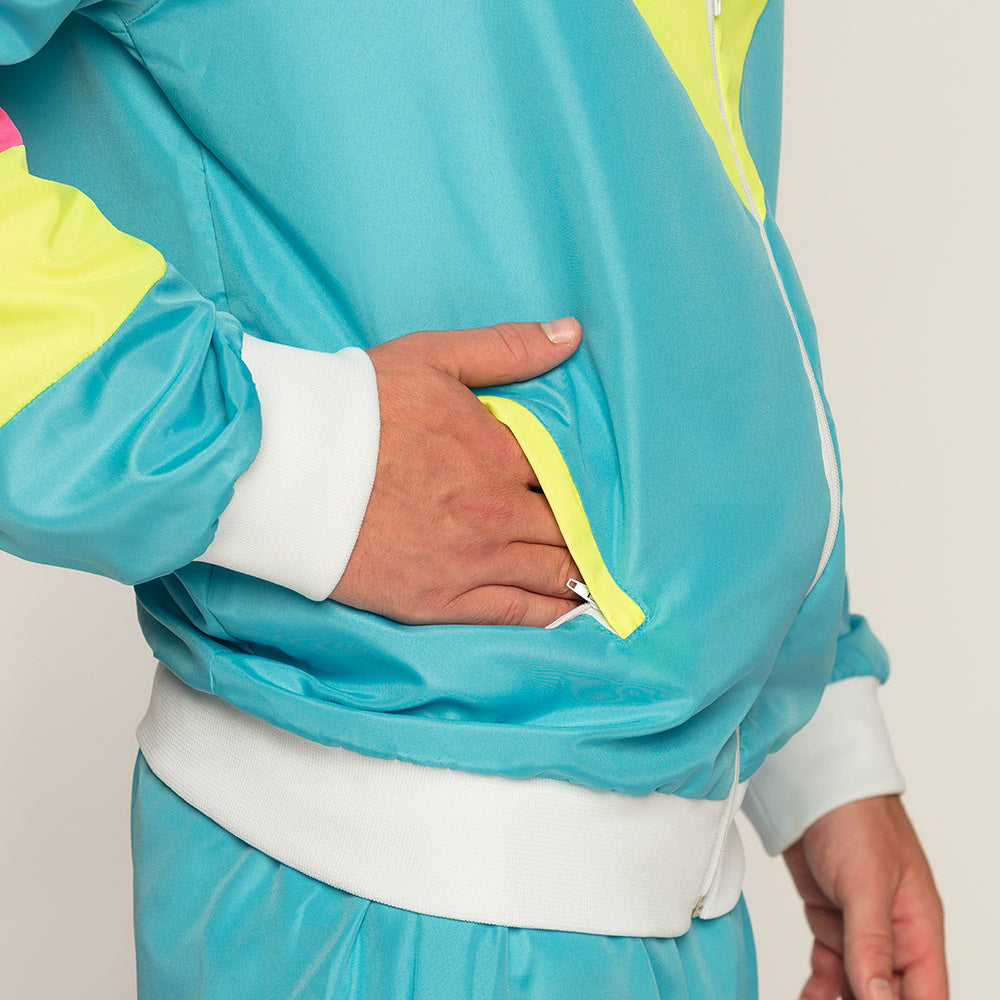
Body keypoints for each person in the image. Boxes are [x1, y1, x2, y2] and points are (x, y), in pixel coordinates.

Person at [0, 1, 946, 998]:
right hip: (398, 898)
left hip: (668, 882)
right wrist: (292, 456)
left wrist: (810, 728)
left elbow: (669, 182)